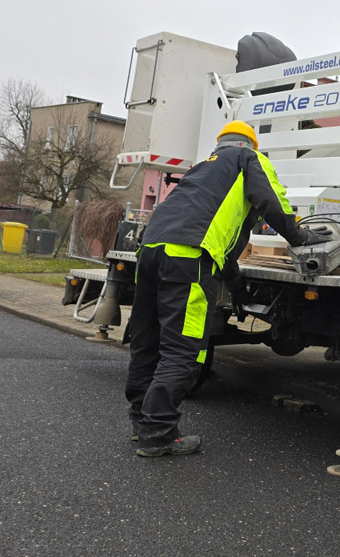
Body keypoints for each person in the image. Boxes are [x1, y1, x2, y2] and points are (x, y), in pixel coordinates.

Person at [125, 120, 309, 457]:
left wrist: (235, 285)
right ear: (251, 145)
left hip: (150, 251)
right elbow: (273, 202)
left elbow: (218, 236)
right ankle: (158, 433)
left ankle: (142, 422)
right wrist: (300, 237)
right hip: (189, 259)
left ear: (219, 144)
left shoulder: (202, 169)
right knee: (182, 349)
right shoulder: (249, 159)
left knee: (147, 342)